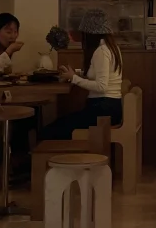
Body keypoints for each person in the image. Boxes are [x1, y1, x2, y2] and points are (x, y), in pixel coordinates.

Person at [40, 9, 125, 140]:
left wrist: (74, 78)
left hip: (103, 109)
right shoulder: (112, 47)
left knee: (50, 131)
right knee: (59, 125)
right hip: (111, 108)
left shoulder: (101, 51)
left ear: (89, 34)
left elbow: (101, 86)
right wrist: (75, 74)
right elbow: (98, 74)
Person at [0, 13, 24, 78]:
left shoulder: (4, 48)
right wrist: (8, 52)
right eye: (9, 32)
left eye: (15, 32)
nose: (13, 36)